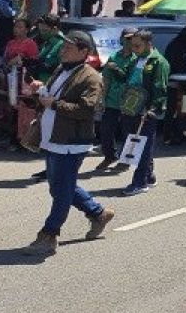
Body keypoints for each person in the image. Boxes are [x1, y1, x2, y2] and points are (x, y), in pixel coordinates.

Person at [22, 31, 115, 257]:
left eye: (69, 47)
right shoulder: (60, 70)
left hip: (71, 143)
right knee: (60, 187)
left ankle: (49, 234)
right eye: (64, 46)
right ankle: (97, 212)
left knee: (61, 190)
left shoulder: (91, 77)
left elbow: (87, 109)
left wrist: (54, 104)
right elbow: (51, 99)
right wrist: (40, 91)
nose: (63, 50)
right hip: (54, 139)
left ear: (84, 51)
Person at [119, 30, 171, 196]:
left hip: (146, 110)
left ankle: (139, 182)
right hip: (131, 107)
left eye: (137, 45)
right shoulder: (136, 59)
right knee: (136, 143)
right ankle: (148, 176)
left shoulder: (158, 62)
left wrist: (153, 109)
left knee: (143, 146)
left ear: (148, 44)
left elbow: (160, 88)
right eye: (132, 45)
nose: (133, 48)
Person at [93, 27, 137, 172]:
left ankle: (126, 160)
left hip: (130, 101)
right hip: (112, 100)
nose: (129, 41)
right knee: (106, 130)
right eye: (127, 38)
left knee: (128, 132)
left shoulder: (137, 59)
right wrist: (101, 98)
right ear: (121, 39)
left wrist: (117, 69)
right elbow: (106, 79)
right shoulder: (114, 56)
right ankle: (109, 155)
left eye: (132, 38)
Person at [32, 14, 64, 83]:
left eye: (44, 30)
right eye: (40, 30)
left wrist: (43, 67)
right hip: (40, 86)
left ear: (55, 29)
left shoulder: (62, 45)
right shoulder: (46, 42)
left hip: (52, 86)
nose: (41, 33)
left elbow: (63, 69)